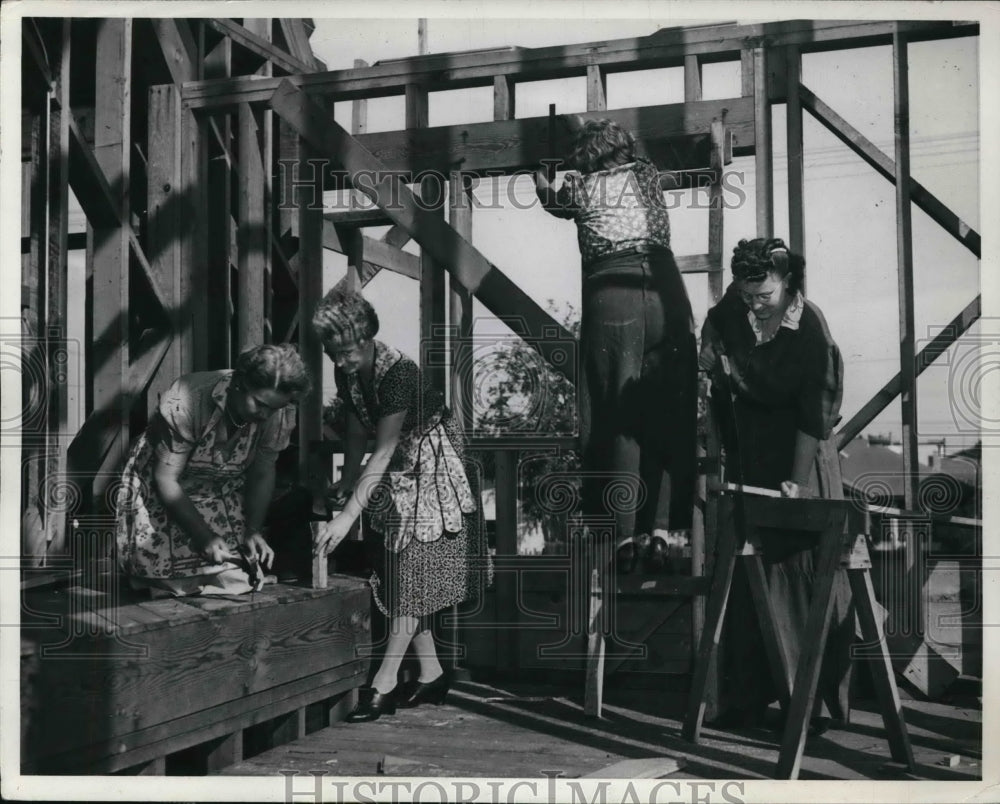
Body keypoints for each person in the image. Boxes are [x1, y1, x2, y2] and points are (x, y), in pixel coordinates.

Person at [310, 289, 491, 723]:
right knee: (402, 571)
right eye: (332, 353)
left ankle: (384, 683)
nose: (339, 362)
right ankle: (432, 673)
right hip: (401, 468)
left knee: (413, 572)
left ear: (368, 338)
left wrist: (347, 517)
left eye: (346, 352)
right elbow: (358, 430)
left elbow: (385, 448)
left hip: (435, 465)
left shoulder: (399, 373)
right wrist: (348, 480)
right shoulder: (347, 372)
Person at [699, 237, 854, 733]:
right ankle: (745, 700)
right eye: (747, 295)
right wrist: (709, 358)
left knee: (801, 576)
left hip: (801, 455)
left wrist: (798, 480)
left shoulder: (810, 330)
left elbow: (815, 414)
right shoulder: (733, 309)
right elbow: (713, 339)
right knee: (748, 577)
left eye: (764, 295)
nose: (755, 304)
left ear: (788, 282)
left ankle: (806, 709)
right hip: (751, 457)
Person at [534, 117, 697, 561]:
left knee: (614, 410)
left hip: (613, 294)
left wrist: (541, 177)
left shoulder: (579, 187)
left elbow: (551, 201)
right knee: (666, 410)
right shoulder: (646, 174)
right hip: (666, 292)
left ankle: (624, 534)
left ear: (583, 158)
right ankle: (661, 529)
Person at [115, 344, 311, 597]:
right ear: (239, 383)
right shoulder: (190, 399)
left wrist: (253, 530)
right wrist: (203, 536)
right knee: (167, 581)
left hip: (217, 489)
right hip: (161, 487)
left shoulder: (276, 414)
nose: (266, 414)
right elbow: (165, 478)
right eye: (260, 404)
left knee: (236, 578)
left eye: (274, 408)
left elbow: (262, 473)